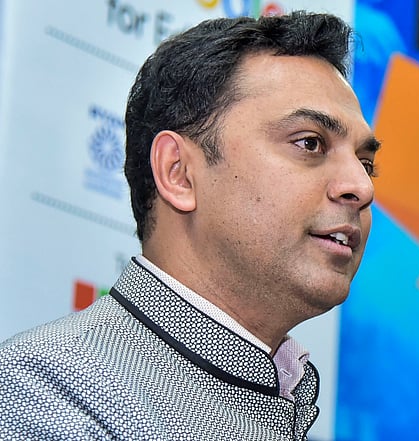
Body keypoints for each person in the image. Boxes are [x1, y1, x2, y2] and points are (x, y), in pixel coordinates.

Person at [0, 10, 379, 440]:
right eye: (310, 143)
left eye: (366, 164)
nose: (361, 187)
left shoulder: (282, 403)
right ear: (178, 174)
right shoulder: (46, 397)